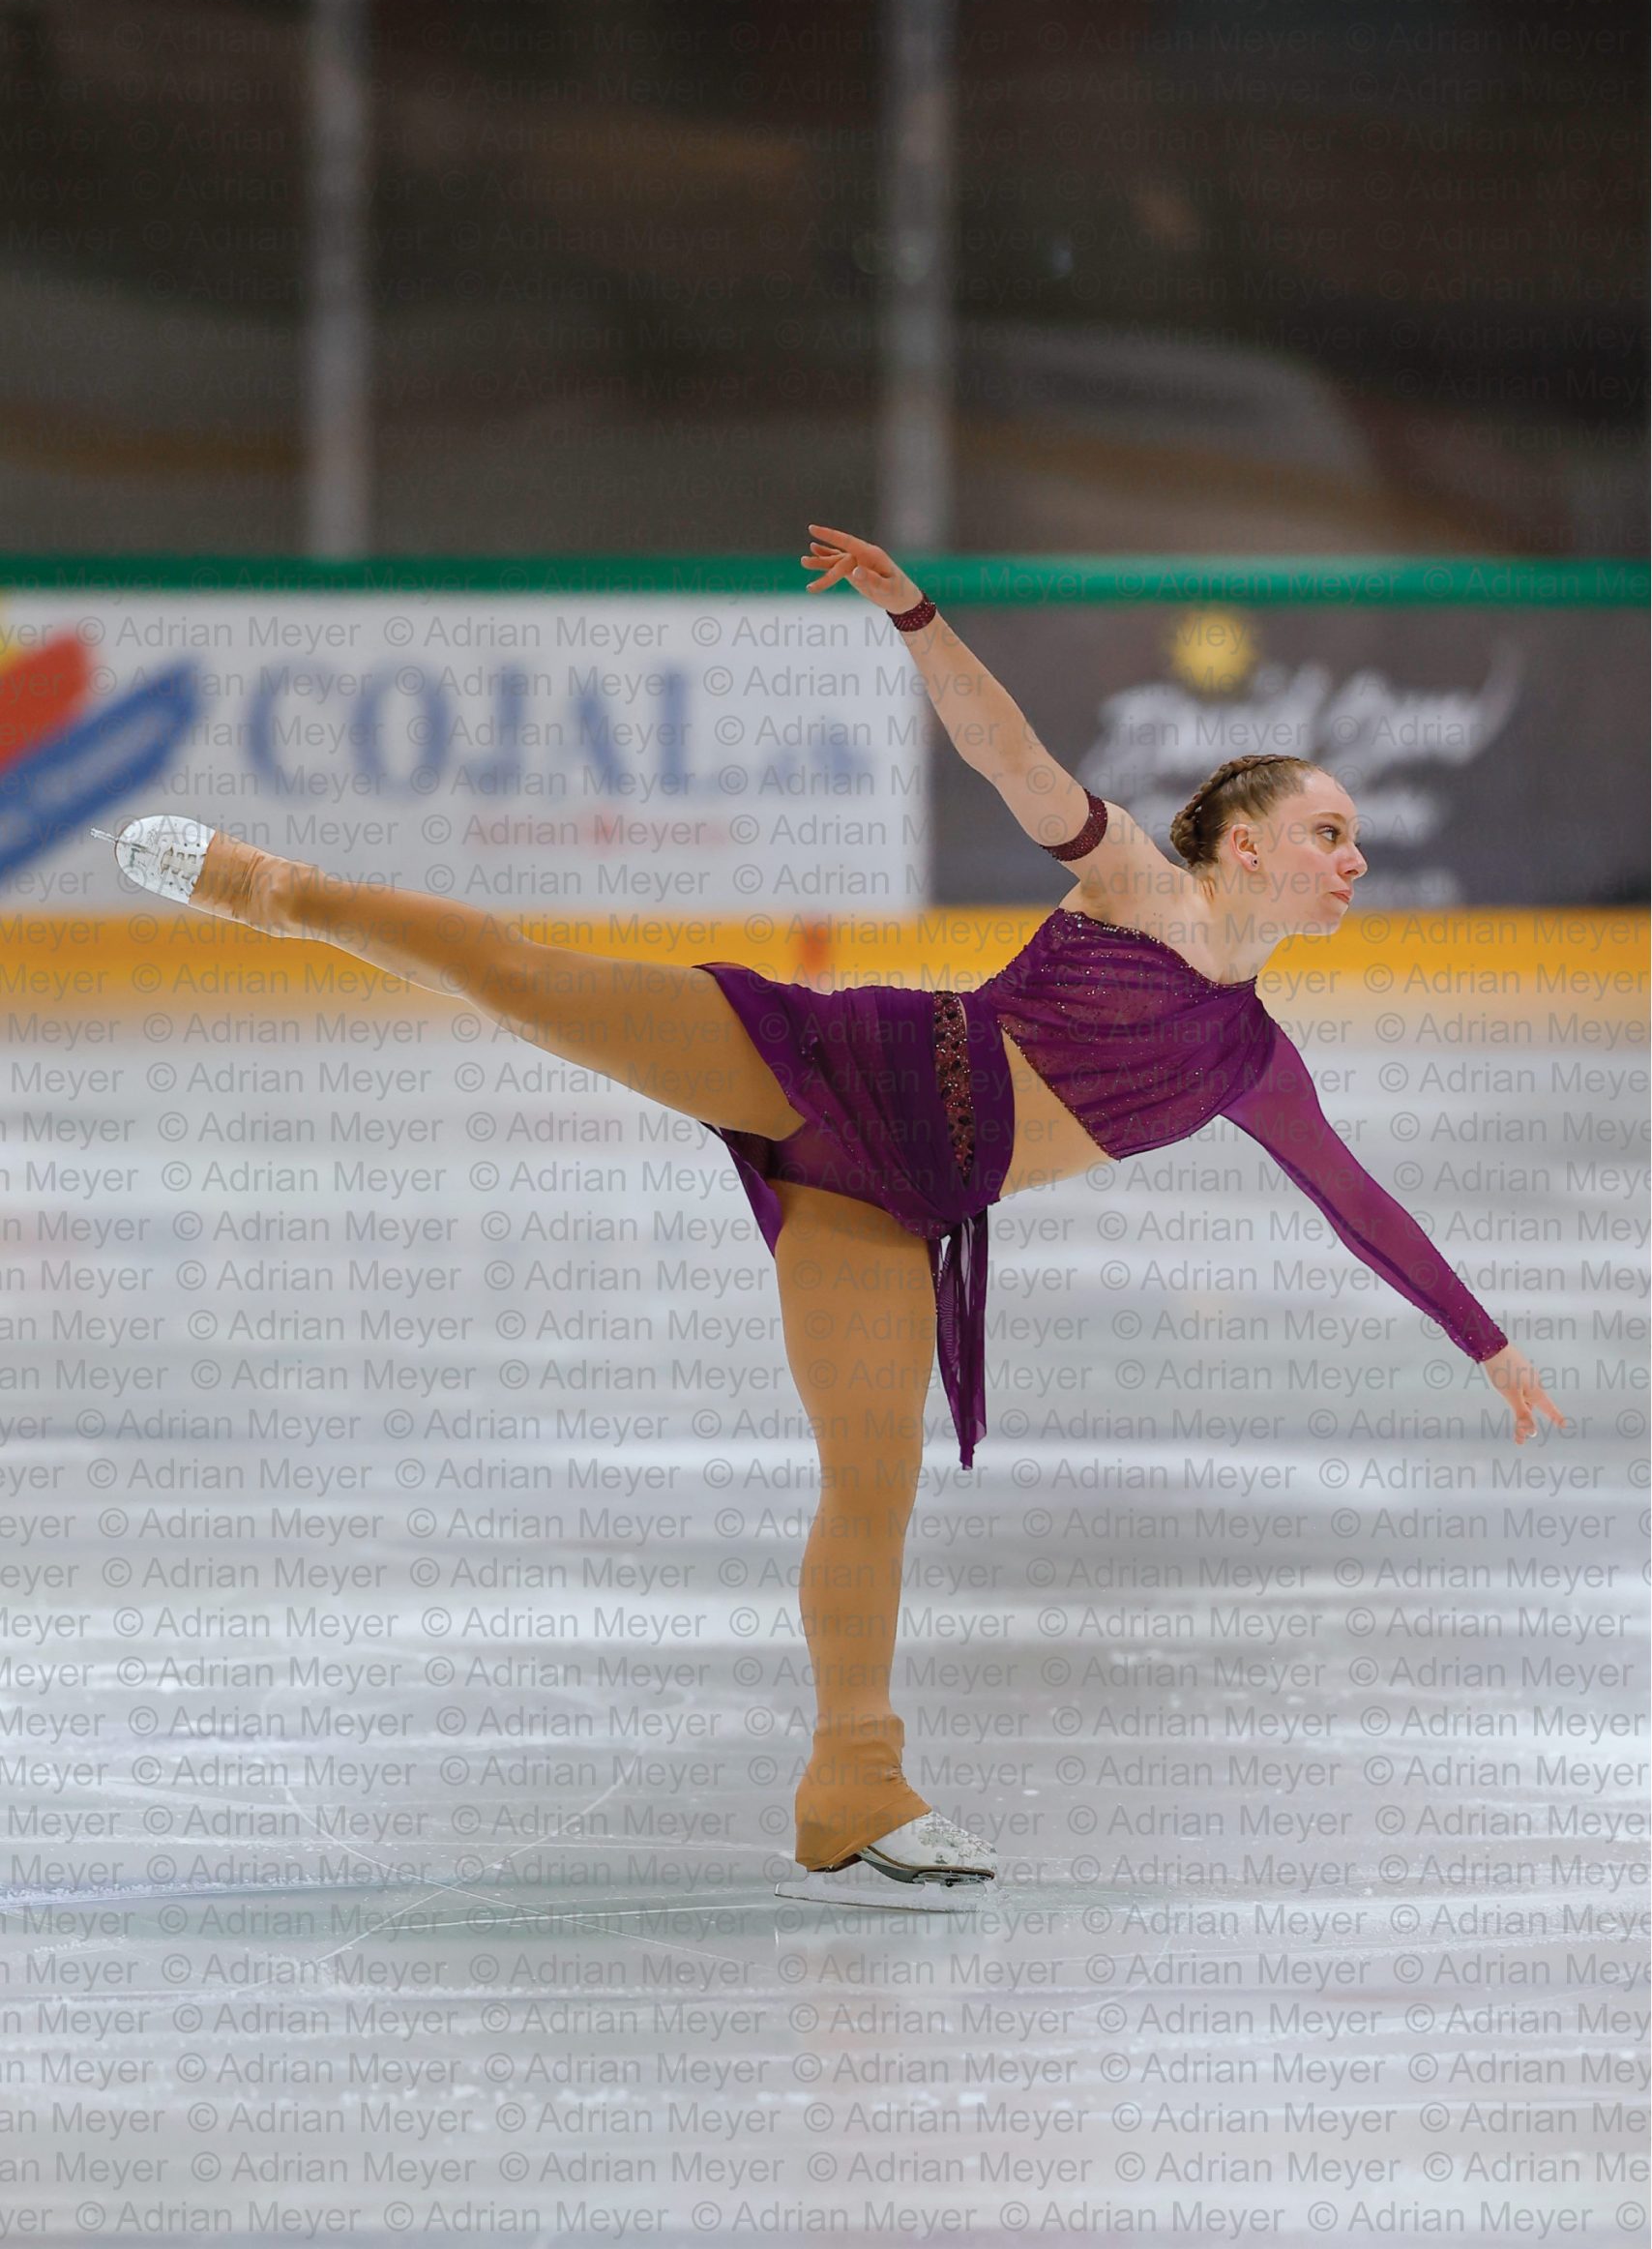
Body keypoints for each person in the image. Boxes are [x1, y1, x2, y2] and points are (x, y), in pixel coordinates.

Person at [106, 524, 1568, 1913]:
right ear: (1243, 846)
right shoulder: (1135, 885)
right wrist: (916, 618)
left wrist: (1488, 1345)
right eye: (1330, 831)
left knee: (873, 1477)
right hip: (831, 1056)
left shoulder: (1256, 1062)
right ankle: (276, 887)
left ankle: (851, 1784)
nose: (1353, 858)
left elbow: (1358, 1206)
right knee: (536, 984)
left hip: (890, 1203)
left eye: (1355, 837)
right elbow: (1010, 755)